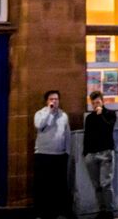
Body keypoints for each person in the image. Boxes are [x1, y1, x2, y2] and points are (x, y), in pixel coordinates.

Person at [33, 90, 71, 219]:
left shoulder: (63, 115)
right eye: (51, 99)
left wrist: (67, 151)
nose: (54, 101)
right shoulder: (40, 113)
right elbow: (39, 125)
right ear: (47, 101)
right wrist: (49, 112)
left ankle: (58, 212)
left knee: (58, 186)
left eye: (56, 99)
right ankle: (42, 213)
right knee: (43, 185)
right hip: (43, 154)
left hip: (59, 155)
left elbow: (67, 133)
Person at [82, 91, 117, 219]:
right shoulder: (89, 118)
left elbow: (108, 129)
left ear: (102, 102)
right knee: (96, 185)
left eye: (97, 102)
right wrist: (85, 153)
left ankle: (109, 211)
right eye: (93, 103)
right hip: (91, 154)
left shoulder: (110, 114)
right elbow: (87, 136)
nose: (95, 105)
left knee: (105, 184)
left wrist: (100, 115)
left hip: (105, 152)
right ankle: (101, 210)